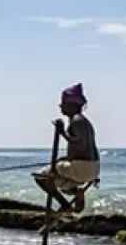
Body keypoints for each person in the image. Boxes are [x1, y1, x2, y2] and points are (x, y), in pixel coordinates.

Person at [34, 83, 99, 213]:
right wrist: (66, 158)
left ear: (72, 105)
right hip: (92, 168)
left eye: (63, 103)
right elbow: (85, 148)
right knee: (60, 179)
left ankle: (65, 205)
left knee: (41, 177)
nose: (61, 106)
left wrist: (62, 132)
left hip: (81, 168)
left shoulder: (76, 120)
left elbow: (79, 143)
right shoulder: (84, 122)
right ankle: (77, 192)